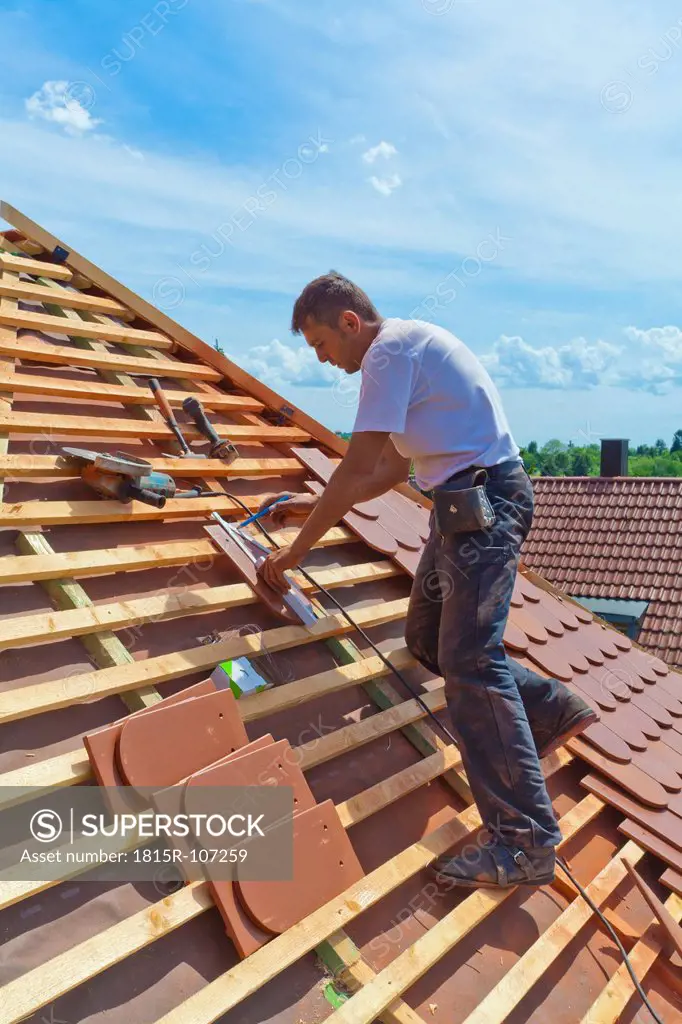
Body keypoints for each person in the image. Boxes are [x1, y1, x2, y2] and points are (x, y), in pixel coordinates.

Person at [256, 271, 597, 889]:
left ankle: (524, 843)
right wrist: (307, 511)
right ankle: (548, 706)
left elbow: (357, 464)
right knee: (426, 640)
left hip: (485, 504)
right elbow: (385, 470)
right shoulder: (404, 351)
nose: (323, 360)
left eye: (321, 344)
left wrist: (293, 555)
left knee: (470, 661)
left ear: (349, 323)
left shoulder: (388, 353)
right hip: (463, 508)